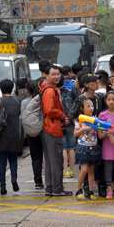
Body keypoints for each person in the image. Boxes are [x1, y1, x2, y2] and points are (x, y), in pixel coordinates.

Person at [40, 64, 72, 197]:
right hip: (52, 128)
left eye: (58, 74)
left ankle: (51, 188)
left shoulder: (48, 88)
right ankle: (57, 189)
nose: (57, 76)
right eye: (53, 74)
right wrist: (62, 115)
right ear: (46, 75)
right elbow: (49, 110)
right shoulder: (49, 91)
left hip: (49, 127)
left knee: (50, 160)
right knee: (55, 160)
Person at [0, 79, 21, 195]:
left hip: (1, 134)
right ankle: (14, 178)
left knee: (2, 162)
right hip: (14, 134)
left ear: (1, 89)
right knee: (13, 160)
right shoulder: (17, 101)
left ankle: (2, 186)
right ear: (12, 88)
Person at [74, 98, 100, 200]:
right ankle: (79, 190)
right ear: (82, 108)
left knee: (91, 170)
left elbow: (99, 134)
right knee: (83, 170)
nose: (91, 108)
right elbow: (75, 134)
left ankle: (90, 191)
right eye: (88, 106)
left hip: (93, 146)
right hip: (83, 147)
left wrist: (108, 132)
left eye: (92, 106)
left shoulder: (95, 119)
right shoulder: (79, 120)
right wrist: (83, 129)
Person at [22, 80, 43, 189]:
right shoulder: (42, 99)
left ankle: (38, 182)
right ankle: (50, 180)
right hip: (44, 130)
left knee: (36, 157)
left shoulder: (25, 102)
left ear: (28, 91)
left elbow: (23, 118)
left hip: (32, 132)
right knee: (48, 156)